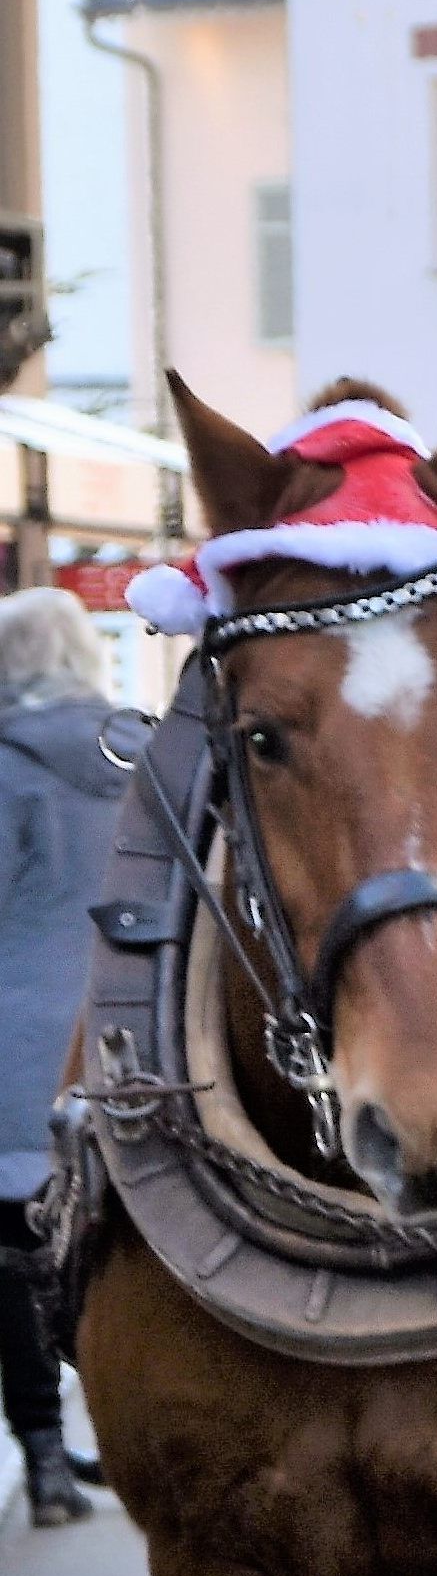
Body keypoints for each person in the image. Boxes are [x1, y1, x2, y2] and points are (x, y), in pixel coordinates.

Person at [0, 587, 123, 1527]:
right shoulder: (150, 754)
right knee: (130, 1244)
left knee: (13, 1257)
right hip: (132, 1041)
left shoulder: (4, 768)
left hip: (15, 1054)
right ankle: (128, 1429)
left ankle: (43, 1458)